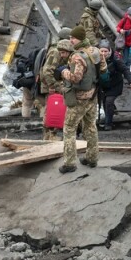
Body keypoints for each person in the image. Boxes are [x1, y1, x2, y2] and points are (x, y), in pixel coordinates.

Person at [56, 39, 105, 173]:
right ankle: (92, 157)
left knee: (69, 129)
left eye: (73, 37)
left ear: (79, 38)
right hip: (93, 95)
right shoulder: (95, 51)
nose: (71, 40)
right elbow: (103, 68)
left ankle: (70, 163)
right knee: (90, 127)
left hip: (79, 99)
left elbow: (75, 78)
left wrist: (63, 71)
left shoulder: (78, 57)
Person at [36, 27, 71, 140]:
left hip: (52, 82)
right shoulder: (56, 52)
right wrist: (53, 86)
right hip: (50, 84)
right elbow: (47, 71)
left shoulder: (56, 49)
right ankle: (49, 136)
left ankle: (50, 135)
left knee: (54, 110)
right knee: (51, 110)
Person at [98, 40, 131, 130]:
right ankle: (108, 117)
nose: (103, 54)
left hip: (115, 85)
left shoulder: (115, 59)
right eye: (102, 51)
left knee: (109, 101)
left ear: (109, 51)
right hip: (103, 85)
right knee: (105, 102)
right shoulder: (96, 59)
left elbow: (125, 69)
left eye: (105, 51)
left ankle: (109, 124)